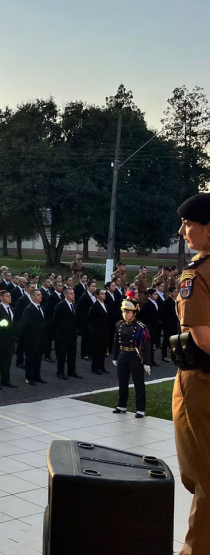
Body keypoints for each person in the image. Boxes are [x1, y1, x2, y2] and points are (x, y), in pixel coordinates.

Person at [170, 193, 210, 555]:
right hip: (202, 382)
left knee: (206, 477)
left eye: (188, 224)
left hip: (202, 386)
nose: (183, 231)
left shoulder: (197, 274)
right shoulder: (197, 272)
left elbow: (203, 336)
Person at [111, 299, 151, 418]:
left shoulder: (140, 327)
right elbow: (115, 342)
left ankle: (140, 409)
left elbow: (146, 345)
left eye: (128, 312)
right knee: (122, 381)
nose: (125, 314)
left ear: (134, 313)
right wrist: (115, 356)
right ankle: (122, 405)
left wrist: (147, 362)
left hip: (135, 356)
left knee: (138, 383)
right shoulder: (119, 325)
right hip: (123, 355)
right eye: (124, 312)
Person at [18, 290, 48, 386]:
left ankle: (36, 375)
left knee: (38, 357)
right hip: (32, 338)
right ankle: (29, 377)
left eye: (41, 295)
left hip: (41, 337)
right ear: (33, 297)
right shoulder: (29, 309)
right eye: (38, 295)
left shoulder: (41, 307)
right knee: (30, 358)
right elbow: (24, 324)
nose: (41, 296)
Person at [52, 288, 81, 379]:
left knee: (72, 353)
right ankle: (60, 372)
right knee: (62, 354)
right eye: (71, 293)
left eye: (73, 293)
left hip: (72, 334)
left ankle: (71, 371)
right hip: (62, 334)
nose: (73, 295)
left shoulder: (74, 305)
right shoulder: (60, 305)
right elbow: (55, 320)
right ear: (66, 295)